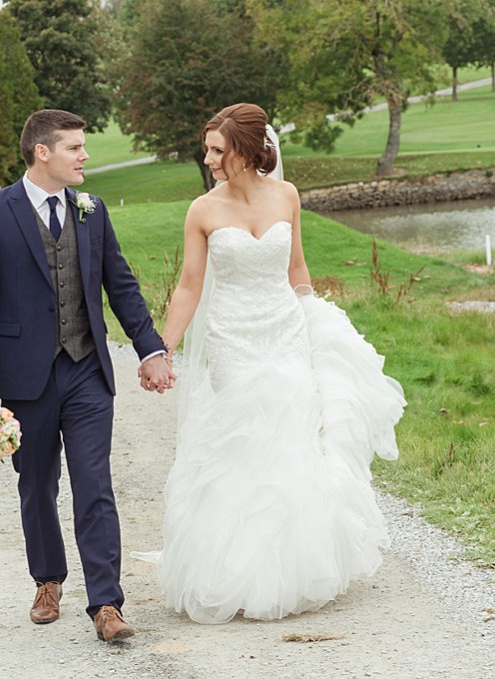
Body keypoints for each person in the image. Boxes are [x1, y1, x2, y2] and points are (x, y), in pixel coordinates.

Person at [134, 103, 406, 624]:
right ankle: (231, 570)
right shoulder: (203, 211)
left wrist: (315, 320)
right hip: (233, 339)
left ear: (244, 149)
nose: (208, 158)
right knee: (242, 440)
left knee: (291, 438)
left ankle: (292, 569)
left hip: (285, 330)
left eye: (217, 149)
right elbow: (190, 286)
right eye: (208, 149)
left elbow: (296, 265)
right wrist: (162, 348)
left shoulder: (287, 196)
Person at [0, 109, 174, 641]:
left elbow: (119, 285)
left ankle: (106, 606)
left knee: (94, 484)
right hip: (22, 375)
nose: (85, 156)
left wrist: (151, 349)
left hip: (86, 371)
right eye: (74, 147)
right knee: (36, 484)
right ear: (42, 152)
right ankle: (48, 579)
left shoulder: (90, 210)